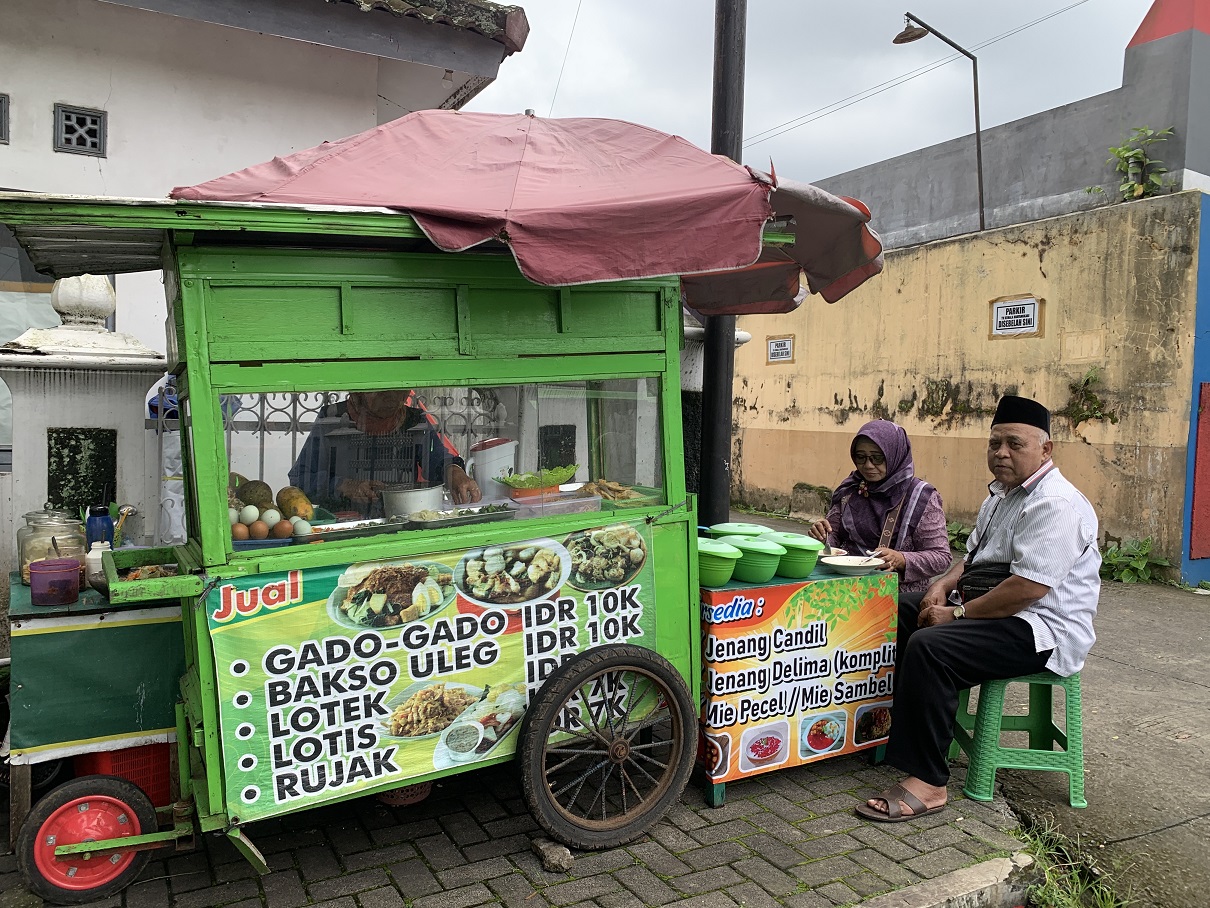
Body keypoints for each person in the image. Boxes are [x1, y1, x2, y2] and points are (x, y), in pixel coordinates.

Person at [856, 395, 1100, 823]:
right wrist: (942, 586)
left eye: (1014, 444)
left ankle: (930, 782)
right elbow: (972, 560)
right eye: (994, 443)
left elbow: (1026, 588)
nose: (1001, 453)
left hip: (1040, 627)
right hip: (994, 605)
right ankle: (892, 729)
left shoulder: (1055, 503)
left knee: (932, 646)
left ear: (1046, 450)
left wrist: (956, 615)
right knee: (893, 611)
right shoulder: (1000, 496)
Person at [809, 420, 952, 593]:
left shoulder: (920, 497)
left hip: (897, 598)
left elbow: (941, 557)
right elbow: (834, 539)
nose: (868, 465)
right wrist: (822, 539)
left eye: (877, 458)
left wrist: (901, 559)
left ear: (894, 455)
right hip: (845, 591)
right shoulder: (851, 490)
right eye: (861, 457)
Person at [288, 389, 481, 518]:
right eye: (382, 391)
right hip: (346, 528)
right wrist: (343, 486)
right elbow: (300, 478)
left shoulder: (414, 421)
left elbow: (438, 461)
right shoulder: (331, 418)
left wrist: (454, 471)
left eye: (399, 392)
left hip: (403, 524)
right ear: (360, 392)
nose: (392, 397)